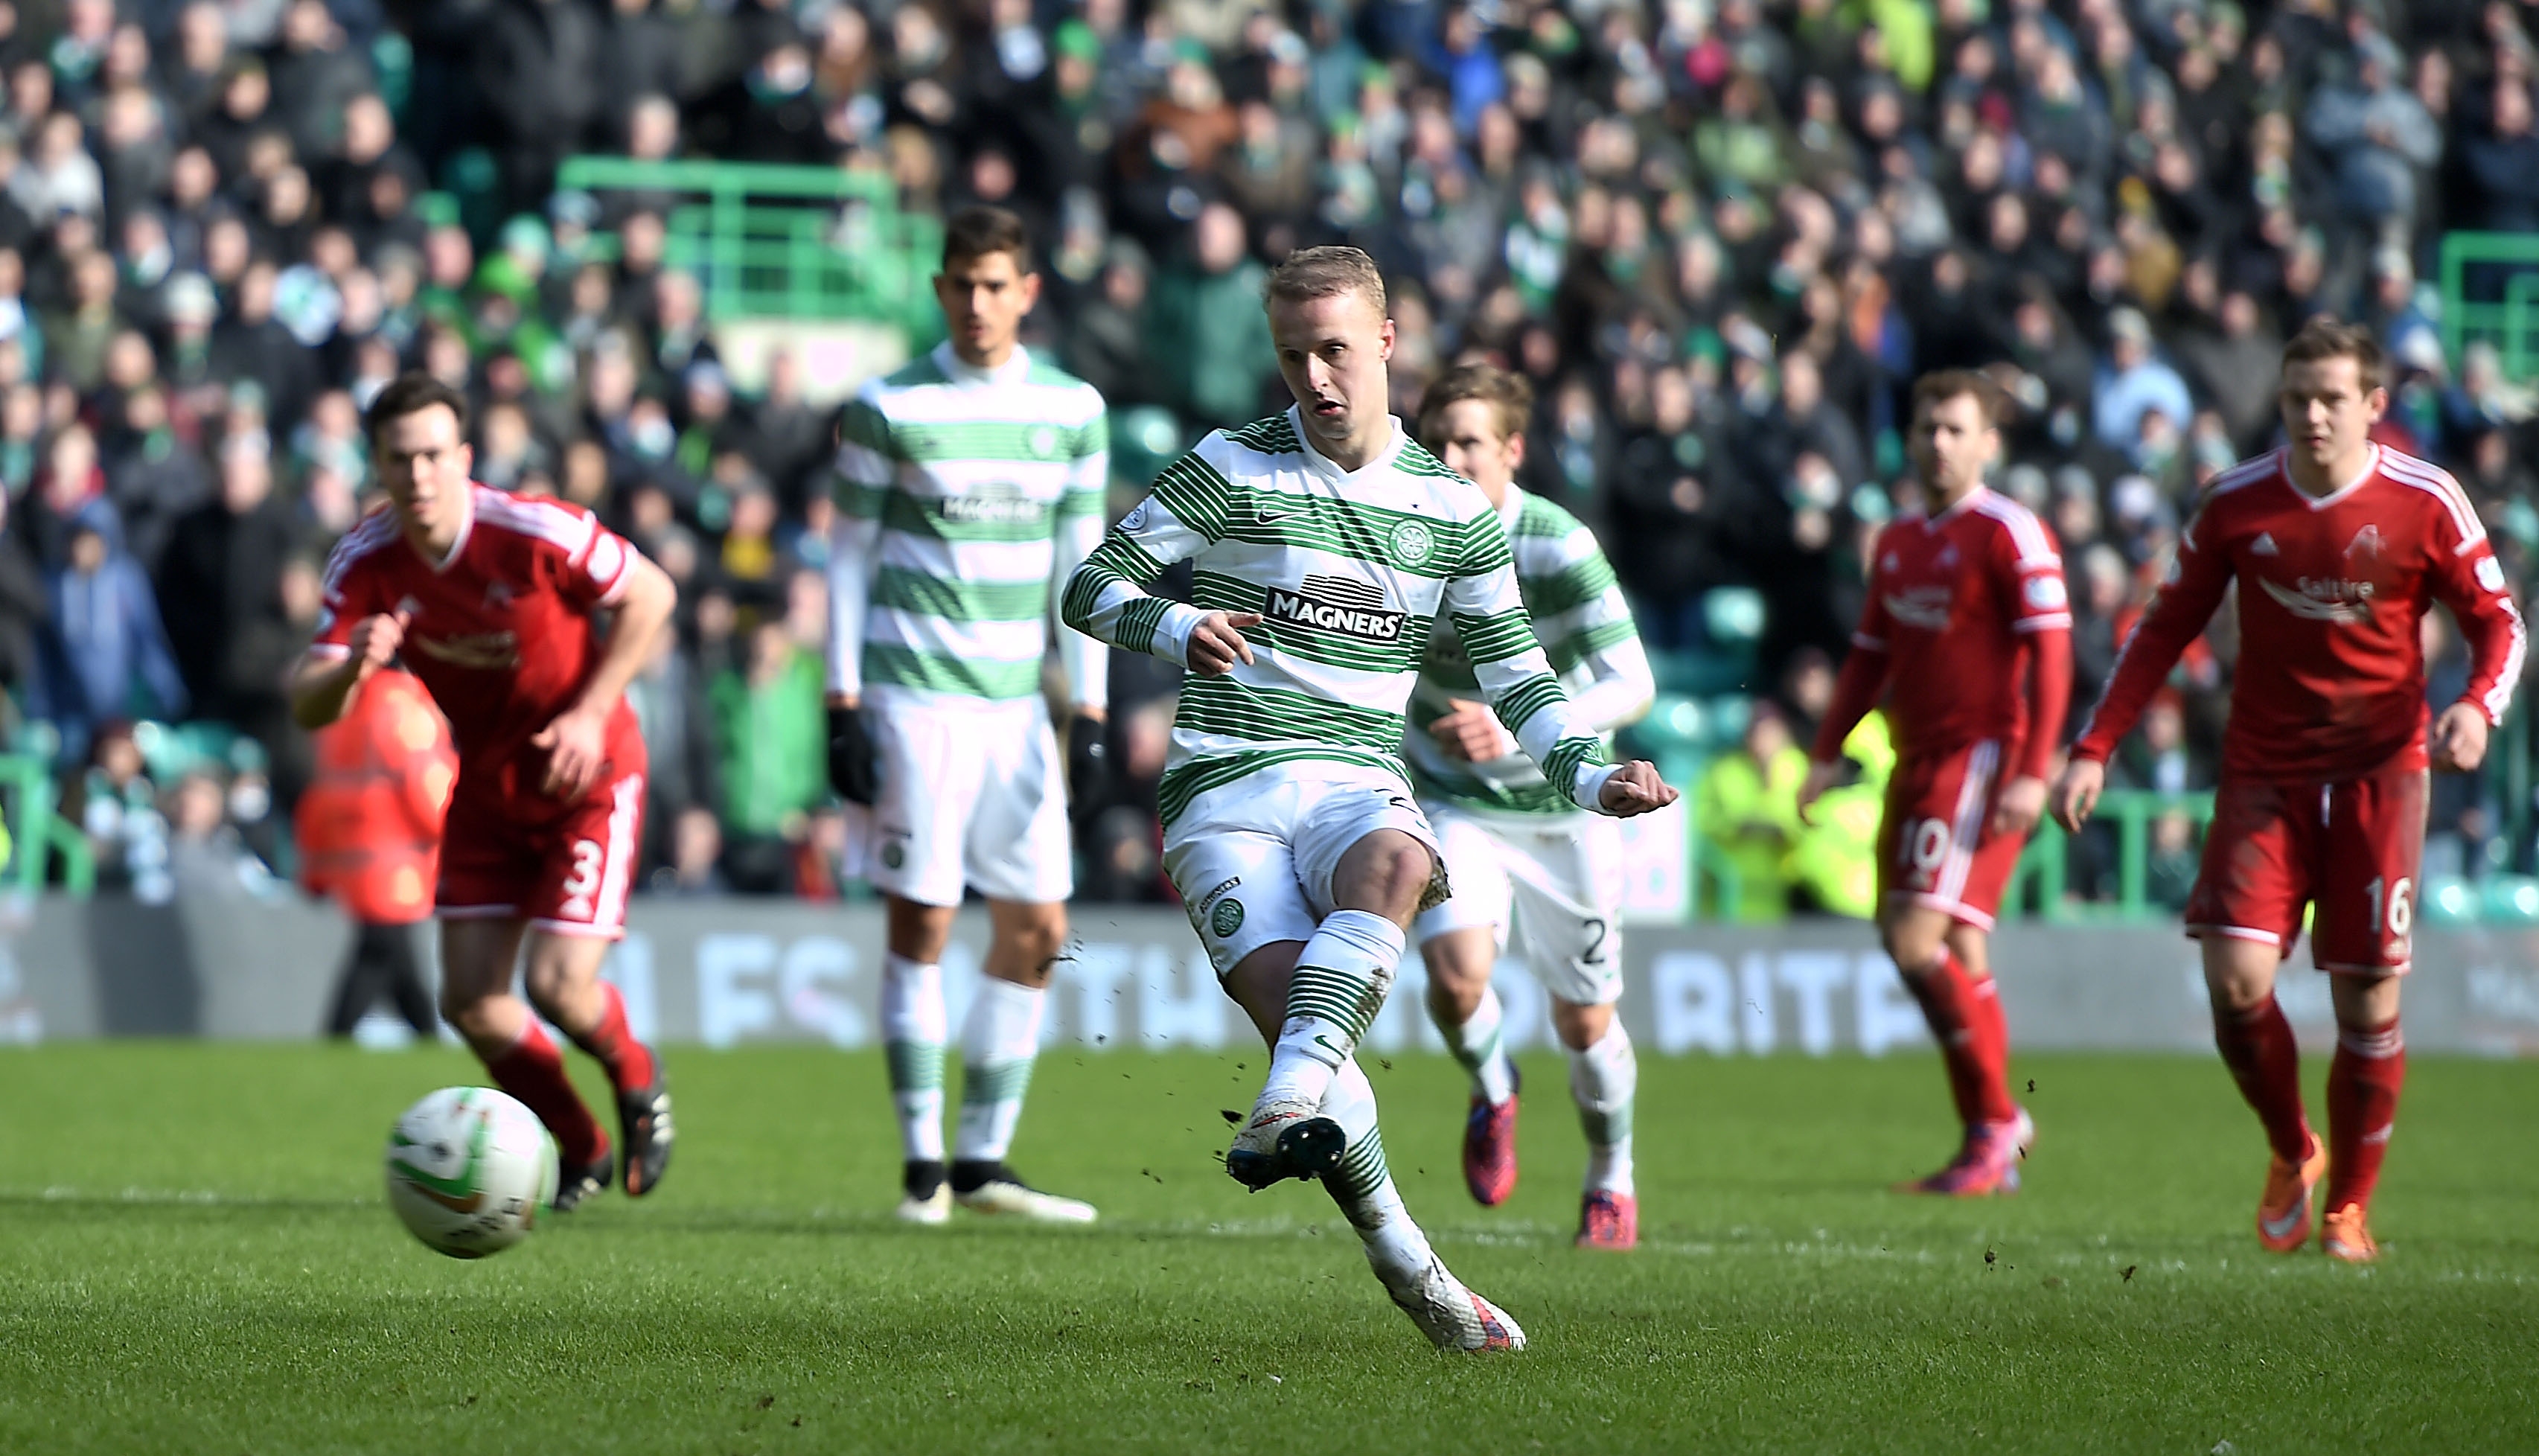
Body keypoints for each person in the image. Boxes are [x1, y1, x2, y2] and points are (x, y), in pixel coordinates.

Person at [1062, 246, 1678, 1351]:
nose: (1314, 377)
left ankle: (1281, 1110)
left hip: (1356, 782)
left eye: (1334, 350)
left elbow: (1518, 678)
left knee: (1399, 865)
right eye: (1292, 354)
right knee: (1318, 1035)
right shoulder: (1229, 466)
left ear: (1385, 344)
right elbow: (1090, 582)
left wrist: (1591, 775)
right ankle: (1409, 1263)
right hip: (1222, 789)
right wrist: (1169, 624)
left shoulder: (1451, 510)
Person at [2053, 319, 2526, 1263]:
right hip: (2265, 771)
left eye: (2333, 398)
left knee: (2366, 1004)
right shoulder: (2236, 502)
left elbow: (2500, 622)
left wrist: (2477, 707)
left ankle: (2351, 1206)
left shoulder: (2426, 500)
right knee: (2236, 986)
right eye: (2298, 398)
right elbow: (2162, 627)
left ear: (2374, 407)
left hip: (2381, 777)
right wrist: (2096, 745)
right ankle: (2292, 1148)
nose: (2313, 415)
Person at [290, 373, 679, 1212]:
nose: (419, 475)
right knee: (468, 1001)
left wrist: (591, 711)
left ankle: (637, 1074)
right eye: (400, 459)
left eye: (434, 454)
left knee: (558, 986)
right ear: (379, 467)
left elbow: (653, 593)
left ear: (464, 457)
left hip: (591, 775)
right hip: (490, 790)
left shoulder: (534, 531)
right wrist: (355, 662)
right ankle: (581, 1146)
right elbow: (306, 696)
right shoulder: (368, 560)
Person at [825, 206, 1108, 1227]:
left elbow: (1084, 570)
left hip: (1016, 710)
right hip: (914, 704)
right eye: (961, 285)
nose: (978, 303)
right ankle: (920, 1172)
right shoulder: (887, 406)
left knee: (1036, 929)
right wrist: (841, 697)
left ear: (1026, 290)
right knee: (926, 924)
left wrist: (1089, 709)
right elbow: (849, 557)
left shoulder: (1073, 409)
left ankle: (982, 1163)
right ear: (940, 290)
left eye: (997, 285)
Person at [1798, 371, 2072, 1195]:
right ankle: (1992, 1135)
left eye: (1956, 429)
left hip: (1981, 760)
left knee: (1914, 942)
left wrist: (2033, 771)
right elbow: (1871, 655)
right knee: (1954, 946)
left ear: (1989, 443)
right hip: (1915, 761)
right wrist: (1823, 749)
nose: (1939, 443)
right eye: (1927, 428)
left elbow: (2054, 654)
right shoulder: (1903, 540)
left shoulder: (2008, 533)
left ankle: (1996, 1125)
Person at [1402, 363, 1655, 1249]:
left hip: (1564, 811)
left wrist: (1516, 730)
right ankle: (1494, 1086)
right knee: (1455, 974)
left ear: (1511, 451)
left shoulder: (1556, 543)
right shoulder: (1400, 528)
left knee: (1584, 1021)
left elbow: (1633, 681)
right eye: (1436, 440)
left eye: (1469, 442)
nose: (1449, 456)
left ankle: (1610, 1176)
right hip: (1455, 803)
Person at [297, 664, 454, 1038]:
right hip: (398, 856)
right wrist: (456, 834)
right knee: (381, 946)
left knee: (388, 947)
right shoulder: (407, 709)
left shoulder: (343, 711)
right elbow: (426, 784)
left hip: (352, 853)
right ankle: (342, 1033)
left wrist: (316, 862)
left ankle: (422, 1030)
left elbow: (320, 792)